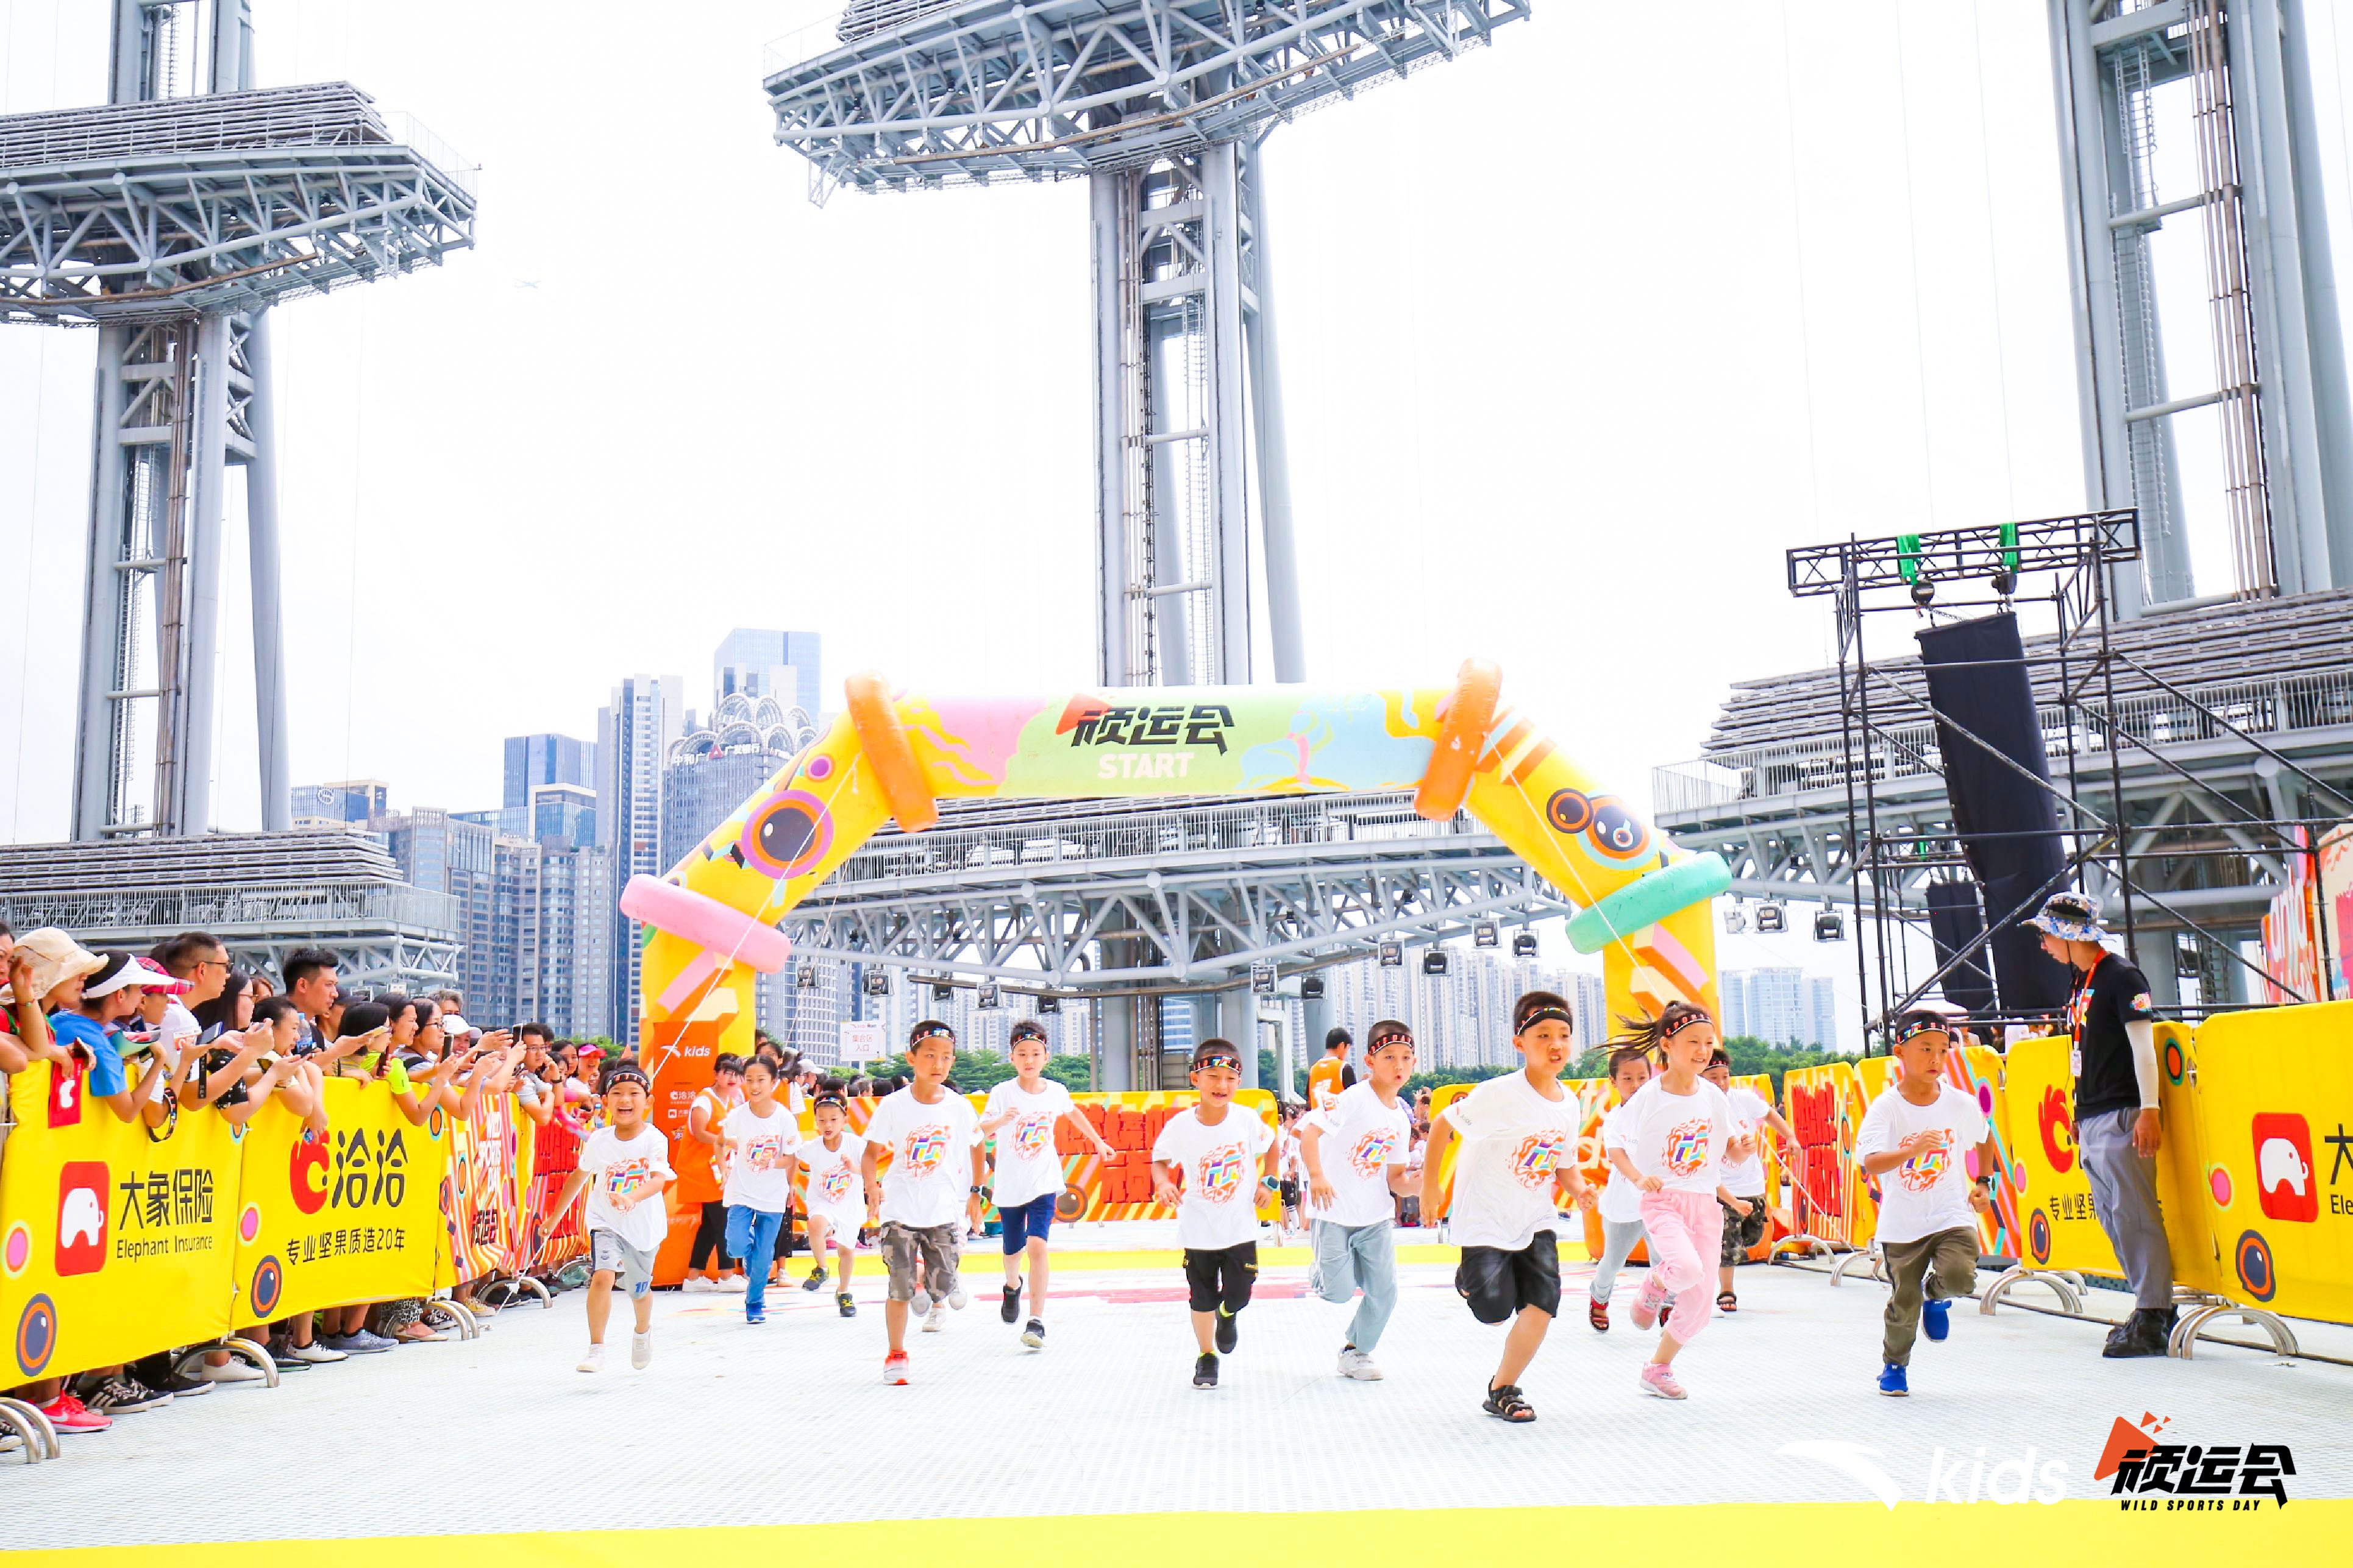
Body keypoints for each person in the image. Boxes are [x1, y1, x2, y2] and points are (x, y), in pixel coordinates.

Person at [1420, 992, 1594, 1422]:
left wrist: (1580, 1189)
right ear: (1520, 1043)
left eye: (1563, 1035)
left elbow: (1563, 1163)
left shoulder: (1569, 1102)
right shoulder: (1498, 1093)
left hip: (1535, 1219)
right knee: (1493, 1310)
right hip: (1486, 1218)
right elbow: (1442, 1124)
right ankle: (1470, 1278)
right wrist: (1429, 1187)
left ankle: (1504, 1388)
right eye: (1543, 1035)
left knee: (1544, 1303)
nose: (1555, 1044)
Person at [2031, 892, 2175, 1358]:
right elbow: (2083, 1051)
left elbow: (2143, 1047)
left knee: (2134, 1214)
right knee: (2114, 1217)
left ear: (2070, 935)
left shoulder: (2121, 976)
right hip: (2093, 1115)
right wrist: (2078, 1111)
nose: (2043, 945)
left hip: (2122, 1112)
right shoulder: (2080, 981)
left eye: (2047, 934)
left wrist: (2149, 1108)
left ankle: (2154, 1310)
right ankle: (2148, 1304)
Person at [1605, 1002, 1742, 1401]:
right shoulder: (1649, 1096)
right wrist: (1637, 1177)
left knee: (1699, 1301)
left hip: (1705, 1204)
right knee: (1684, 1268)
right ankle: (1655, 1282)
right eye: (1693, 1042)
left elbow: (1731, 1152)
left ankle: (1657, 1368)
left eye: (1708, 1042)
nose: (1703, 1050)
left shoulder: (1714, 1097)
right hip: (1663, 1200)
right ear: (1667, 1045)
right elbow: (1615, 1144)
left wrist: (1744, 1149)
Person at [1856, 1012, 1998, 1396]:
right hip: (1903, 1224)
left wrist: (1983, 1183)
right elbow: (1871, 1162)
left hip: (1951, 1214)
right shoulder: (1886, 1107)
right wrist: (1912, 1150)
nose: (1936, 1059)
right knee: (1904, 1302)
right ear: (1900, 1052)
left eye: (1943, 1050)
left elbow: (1984, 1137)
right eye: (1925, 1049)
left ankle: (1936, 1296)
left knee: (1960, 1277)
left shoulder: (1960, 1103)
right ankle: (1894, 1366)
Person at [1151, 1039, 1280, 1391]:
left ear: (1239, 1082)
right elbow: (1160, 1160)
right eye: (1213, 1077)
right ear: (1196, 1079)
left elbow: (1272, 1145)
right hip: (1198, 1229)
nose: (1221, 1085)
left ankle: (1228, 1314)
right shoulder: (1181, 1126)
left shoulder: (1246, 1119)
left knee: (1240, 1292)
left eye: (1230, 1079)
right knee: (1202, 1296)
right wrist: (1163, 1183)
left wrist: (1268, 1182)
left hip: (1240, 1228)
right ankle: (1207, 1356)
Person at [978, 1020, 1116, 1349]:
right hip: (1011, 1185)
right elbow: (982, 1129)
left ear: (1046, 1057)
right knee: (1013, 1252)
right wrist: (1001, 1120)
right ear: (1012, 1058)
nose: (1029, 1060)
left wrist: (1098, 1142)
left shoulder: (1056, 1091)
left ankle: (1036, 1320)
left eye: (1035, 1054)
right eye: (1022, 1054)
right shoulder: (1002, 1092)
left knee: (1037, 1246)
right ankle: (1012, 1286)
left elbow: (1073, 1113)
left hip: (1044, 1181)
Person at [862, 1021, 984, 1383]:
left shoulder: (959, 1107)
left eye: (946, 1057)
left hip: (942, 1209)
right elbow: (870, 1154)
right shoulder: (893, 1105)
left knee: (941, 1283)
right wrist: (872, 1187)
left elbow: (978, 1146)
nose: (938, 1064)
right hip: (900, 1208)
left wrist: (976, 1192)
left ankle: (934, 1284)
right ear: (911, 1058)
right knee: (898, 1284)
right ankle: (896, 1353)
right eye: (930, 1056)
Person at [1299, 1019, 1417, 1381]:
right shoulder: (1352, 1099)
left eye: (1406, 1058)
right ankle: (1320, 1271)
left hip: (1375, 1217)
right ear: (1370, 1061)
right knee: (1338, 1293)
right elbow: (1308, 1134)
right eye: (1389, 1057)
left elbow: (1396, 1179)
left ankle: (1356, 1351)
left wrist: (1421, 1186)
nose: (1398, 1066)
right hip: (1334, 1212)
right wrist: (1317, 1176)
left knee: (1385, 1292)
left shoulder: (1401, 1119)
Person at [549, 1064, 673, 1373]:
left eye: (633, 1094)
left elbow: (659, 1180)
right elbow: (580, 1176)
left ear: (648, 1101)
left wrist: (632, 1198)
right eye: (617, 1093)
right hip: (605, 1220)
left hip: (643, 1228)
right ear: (605, 1101)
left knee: (639, 1291)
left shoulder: (654, 1139)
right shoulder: (599, 1140)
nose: (625, 1100)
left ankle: (642, 1331)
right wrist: (554, 1219)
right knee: (602, 1276)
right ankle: (597, 1348)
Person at [1701, 1046, 1794, 1313]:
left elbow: (1769, 1114)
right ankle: (1726, 1290)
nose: (1721, 1083)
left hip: (1752, 1184)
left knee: (1752, 1237)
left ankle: (1714, 1256)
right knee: (1727, 1242)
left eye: (1725, 1077)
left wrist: (1790, 1137)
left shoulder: (1742, 1099)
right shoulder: (1699, 1108)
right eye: (1713, 1078)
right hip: (1722, 1187)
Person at [721, 1056, 802, 1324]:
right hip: (742, 1191)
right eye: (750, 1080)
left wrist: (779, 1171)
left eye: (761, 1080)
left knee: (765, 1256)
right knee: (735, 1245)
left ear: (774, 1082)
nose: (754, 1086)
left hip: (773, 1194)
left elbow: (791, 1158)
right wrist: (723, 1169)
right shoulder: (737, 1116)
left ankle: (754, 1302)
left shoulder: (784, 1118)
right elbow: (721, 1142)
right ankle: (750, 1250)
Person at [1588, 1044, 1658, 1332]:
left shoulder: (1663, 1110)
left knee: (1666, 1261)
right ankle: (1599, 1298)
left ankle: (1668, 1307)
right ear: (1614, 1082)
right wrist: (1639, 1179)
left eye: (1642, 1077)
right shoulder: (1615, 1119)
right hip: (1625, 1204)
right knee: (1613, 1262)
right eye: (1628, 1078)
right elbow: (1619, 1156)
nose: (1636, 1084)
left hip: (1660, 1200)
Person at [680, 1054, 745, 1293]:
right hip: (701, 1169)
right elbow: (699, 1133)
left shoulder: (732, 1101)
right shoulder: (704, 1101)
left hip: (718, 1169)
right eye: (727, 1072)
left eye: (737, 1074)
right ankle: (726, 1276)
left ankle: (693, 1277)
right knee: (724, 1220)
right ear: (716, 1074)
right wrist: (730, 1142)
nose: (732, 1078)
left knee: (710, 1224)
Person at [798, 1085, 866, 1316]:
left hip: (849, 1204)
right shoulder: (812, 1148)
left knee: (846, 1251)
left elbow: (870, 1170)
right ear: (816, 1122)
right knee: (816, 1224)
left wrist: (853, 1168)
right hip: (822, 1201)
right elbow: (791, 1157)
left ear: (845, 1119)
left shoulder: (855, 1144)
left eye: (833, 1120)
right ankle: (822, 1268)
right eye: (822, 1120)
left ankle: (844, 1292)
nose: (828, 1125)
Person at [1307, 1026, 1352, 1111]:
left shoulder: (1313, 1070)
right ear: (1342, 1045)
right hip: (1339, 1117)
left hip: (1318, 1118)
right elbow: (1354, 1099)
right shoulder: (1343, 1067)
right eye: (1347, 1049)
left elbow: (1309, 1100)